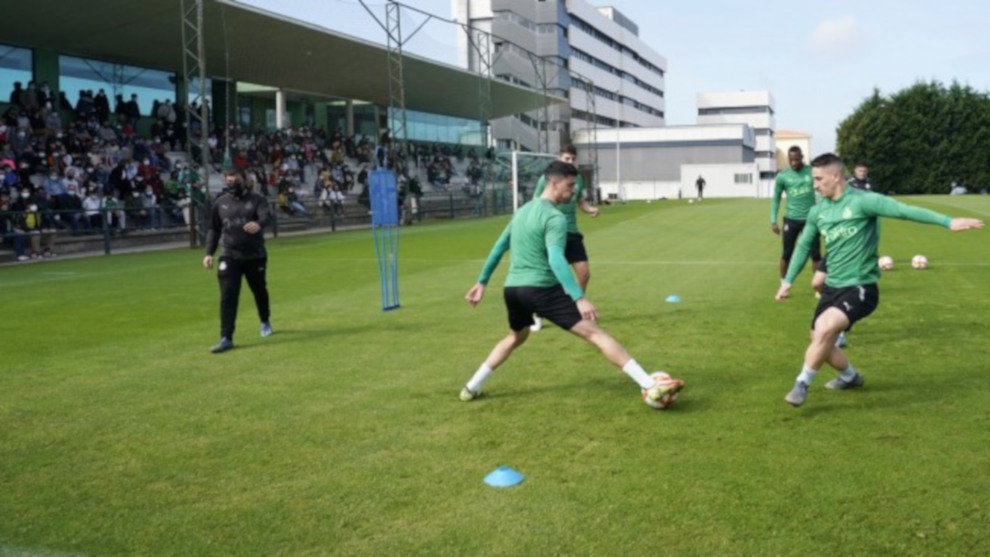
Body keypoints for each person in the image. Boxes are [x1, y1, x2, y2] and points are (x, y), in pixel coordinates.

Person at [460, 160, 682, 404]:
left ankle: (471, 386)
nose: (574, 190)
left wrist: (482, 283)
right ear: (552, 183)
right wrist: (580, 298)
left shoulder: (521, 212)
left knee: (515, 337)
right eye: (569, 185)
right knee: (595, 334)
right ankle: (650, 384)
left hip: (512, 290)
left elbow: (498, 247)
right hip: (541, 288)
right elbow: (556, 259)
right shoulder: (555, 218)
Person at [774, 153, 983, 407]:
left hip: (861, 287)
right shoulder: (817, 211)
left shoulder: (864, 202)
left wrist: (948, 221)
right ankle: (850, 377)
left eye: (818, 179)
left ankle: (801, 385)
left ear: (836, 175)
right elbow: (804, 244)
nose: (814, 185)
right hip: (833, 288)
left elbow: (904, 211)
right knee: (820, 341)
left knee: (826, 329)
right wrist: (788, 280)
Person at [528, 145, 599, 331]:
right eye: (567, 158)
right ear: (559, 158)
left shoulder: (577, 180)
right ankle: (538, 314)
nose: (570, 162)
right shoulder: (547, 179)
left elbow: (580, 201)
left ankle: (575, 307)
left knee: (584, 273)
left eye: (572, 159)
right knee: (547, 278)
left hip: (572, 232)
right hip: (551, 231)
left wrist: (589, 209)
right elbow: (536, 202)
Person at [203, 168, 273, 353]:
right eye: (229, 181)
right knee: (228, 296)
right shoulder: (220, 203)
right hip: (229, 255)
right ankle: (226, 337)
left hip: (254, 255)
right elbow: (213, 228)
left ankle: (264, 320)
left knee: (259, 290)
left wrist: (258, 224)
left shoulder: (257, 199)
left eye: (235, 180)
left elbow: (266, 216)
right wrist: (209, 253)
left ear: (244, 180)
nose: (232, 184)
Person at [771, 145, 821, 280]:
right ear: (788, 158)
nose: (794, 163)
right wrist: (773, 220)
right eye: (791, 160)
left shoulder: (811, 172)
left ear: (801, 158)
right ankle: (784, 284)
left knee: (815, 255)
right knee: (787, 254)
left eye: (796, 160)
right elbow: (776, 199)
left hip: (810, 220)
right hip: (791, 220)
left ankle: (819, 288)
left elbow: (822, 190)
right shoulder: (783, 176)